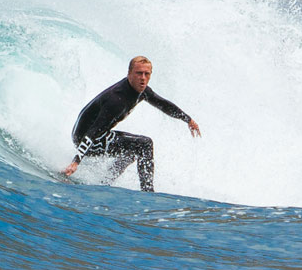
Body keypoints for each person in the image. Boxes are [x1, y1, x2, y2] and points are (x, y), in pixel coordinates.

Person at [62, 55, 200, 192]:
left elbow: (163, 104)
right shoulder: (116, 99)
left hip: (98, 134)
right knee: (144, 144)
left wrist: (188, 119)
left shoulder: (143, 91)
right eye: (139, 73)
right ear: (129, 74)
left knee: (135, 147)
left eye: (147, 74)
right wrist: (76, 161)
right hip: (86, 138)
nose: (143, 78)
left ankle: (104, 182)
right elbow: (93, 130)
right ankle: (147, 192)